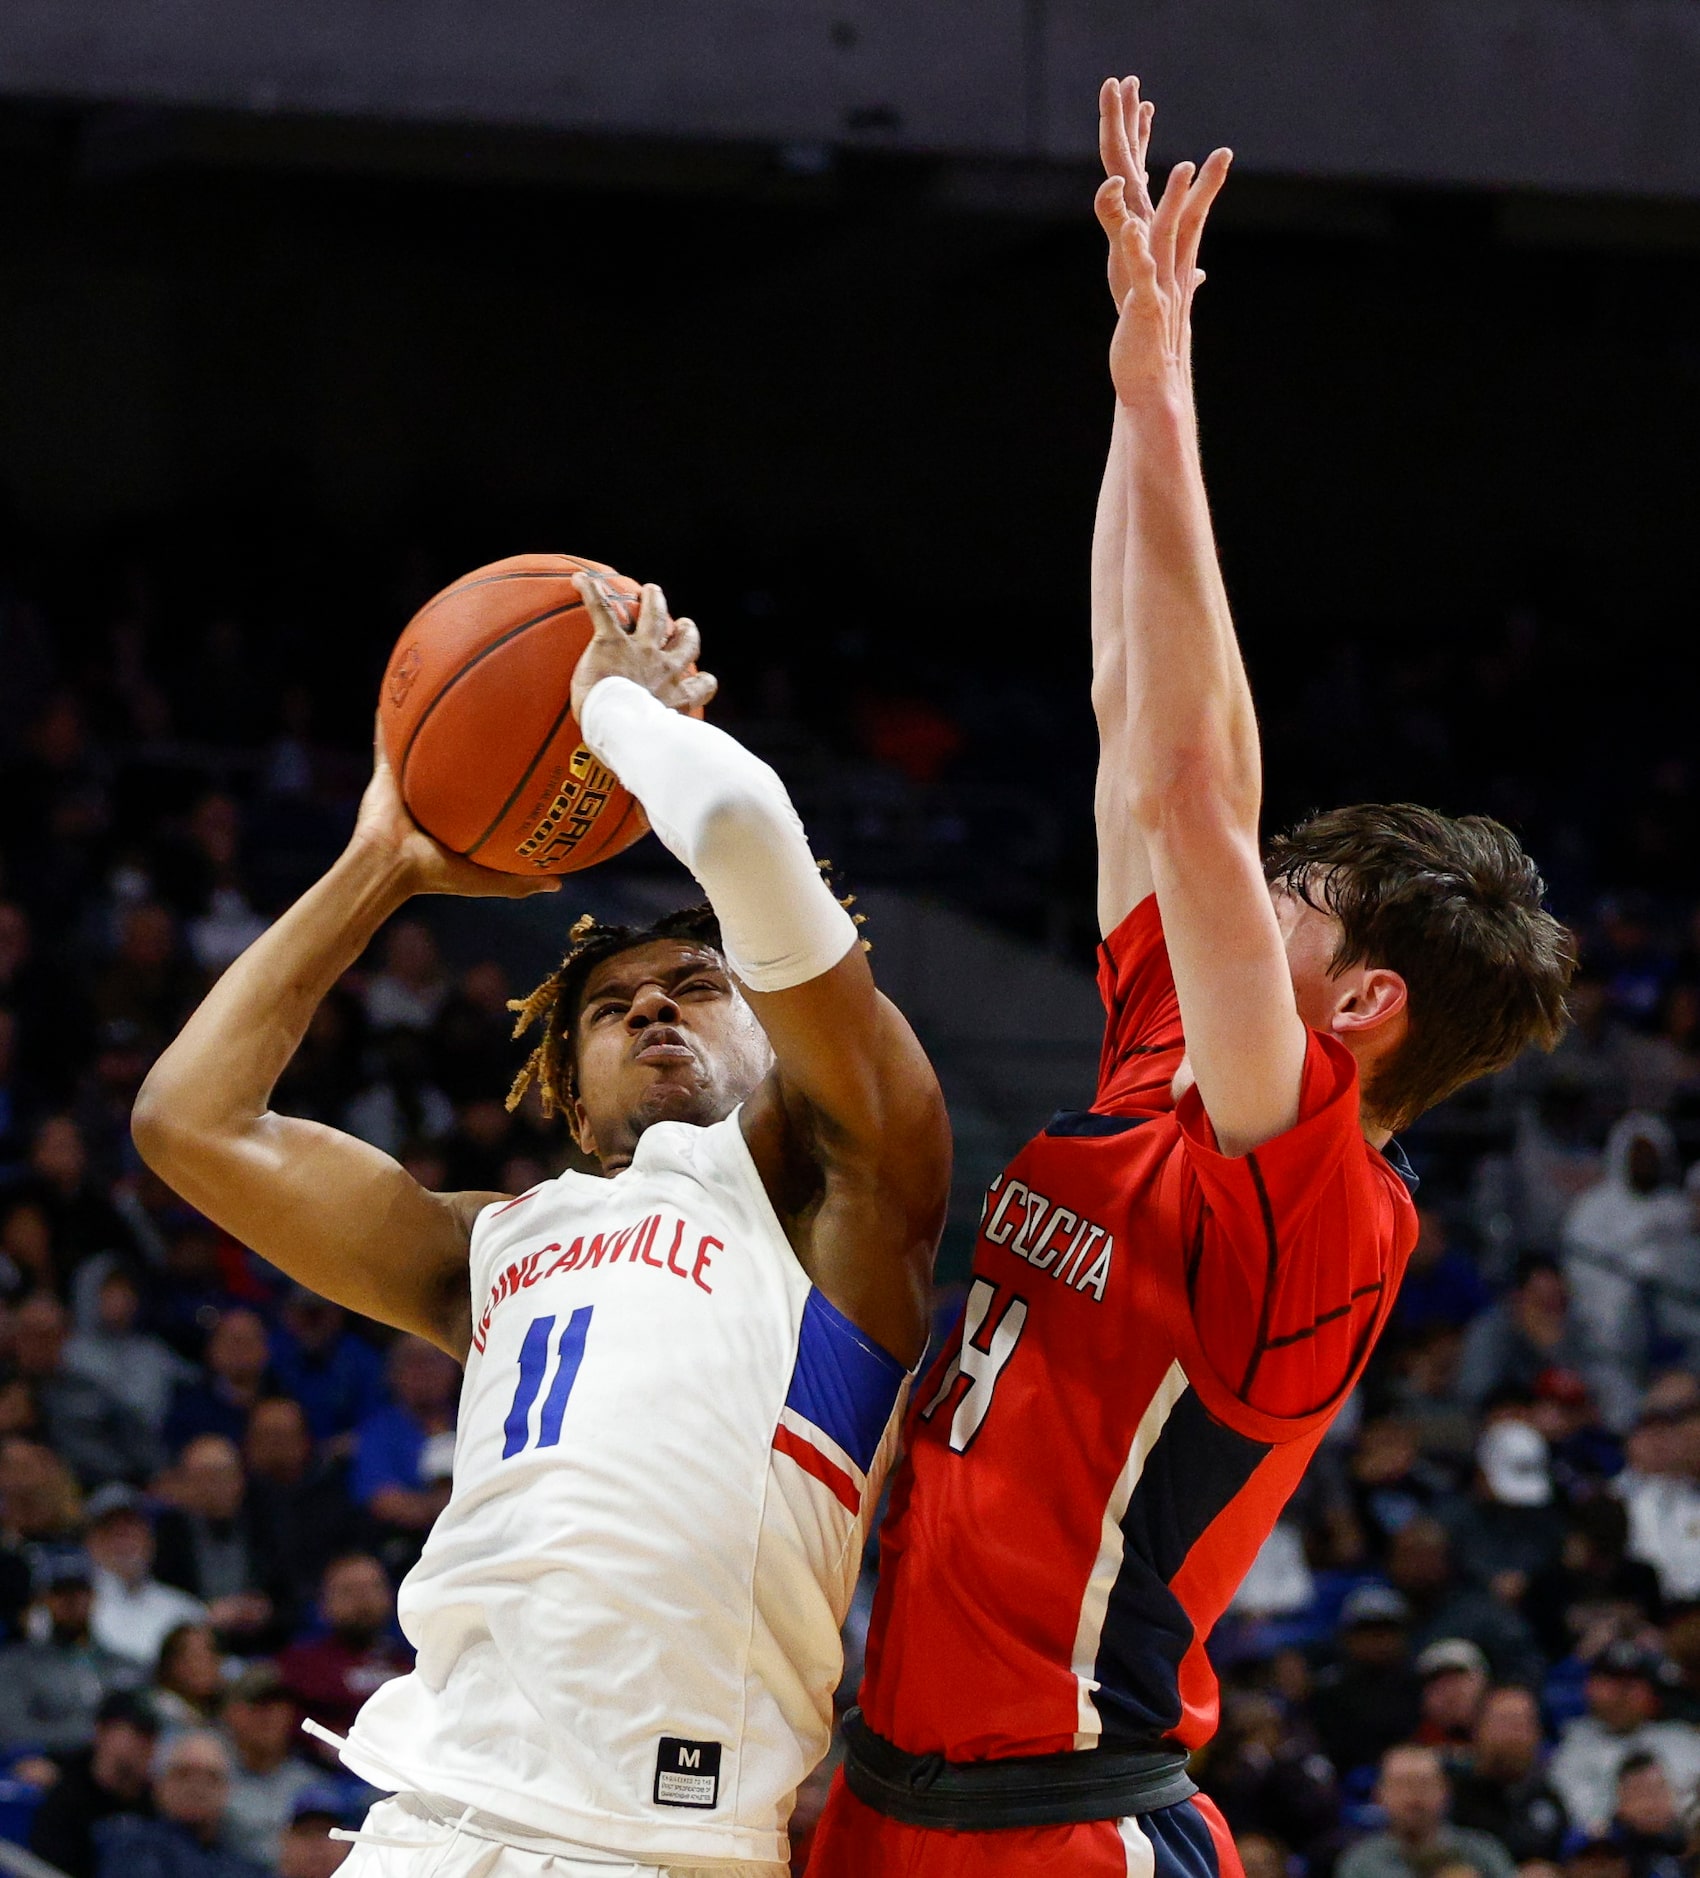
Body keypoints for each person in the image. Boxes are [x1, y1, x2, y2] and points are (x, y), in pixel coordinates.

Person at [810, 74, 1572, 1878]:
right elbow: (1139, 712)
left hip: (1060, 1826)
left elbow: (1187, 790)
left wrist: (1163, 411)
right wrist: (1145, 393)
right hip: (886, 1796)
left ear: (1365, 997)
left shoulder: (1316, 1211)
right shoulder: (1170, 1049)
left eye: (1298, 890)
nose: (1250, 884)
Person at [130, 573, 951, 1877]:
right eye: (612, 1007)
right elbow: (191, 1121)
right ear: (564, 1084)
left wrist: (629, 716)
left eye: (697, 985)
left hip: (658, 1840)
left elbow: (749, 840)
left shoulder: (847, 1195)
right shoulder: (488, 1247)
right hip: (424, 1810)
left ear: (777, 1027)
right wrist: (381, 862)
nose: (655, 1011)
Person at [1547, 1640, 1700, 1835]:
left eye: (1632, 1683)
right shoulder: (1571, 1744)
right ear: (1589, 1688)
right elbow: (1575, 1818)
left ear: (1651, 1692)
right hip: (1607, 1852)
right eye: (1611, 1681)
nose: (1621, 1693)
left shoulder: (1682, 1739)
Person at [0, 1549, 141, 1755]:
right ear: (44, 1598)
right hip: (52, 1767)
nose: (71, 1601)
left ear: (93, 1596)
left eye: (79, 1591)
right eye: (61, 1592)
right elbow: (13, 1731)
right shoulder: (15, 1664)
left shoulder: (125, 1665)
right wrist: (94, 1736)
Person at [276, 1553, 411, 1749]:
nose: (363, 1601)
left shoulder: (411, 1659)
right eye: (349, 1591)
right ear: (324, 1602)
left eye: (372, 1588)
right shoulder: (300, 1665)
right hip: (322, 1772)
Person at [93, 1728, 268, 1878]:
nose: (197, 1787)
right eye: (183, 1774)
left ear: (227, 1790)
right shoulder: (128, 1845)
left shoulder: (247, 1866)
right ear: (159, 1784)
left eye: (211, 1777)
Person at [27, 1688, 161, 1878]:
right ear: (101, 1731)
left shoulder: (156, 1801)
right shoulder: (67, 1797)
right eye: (135, 1733)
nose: (143, 1744)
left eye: (150, 1736)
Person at [1337, 1746, 1517, 1878]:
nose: (1414, 1796)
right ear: (1379, 1795)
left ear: (1445, 1791)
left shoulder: (1484, 1852)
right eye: (1402, 1785)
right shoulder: (1360, 1864)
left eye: (1424, 1784)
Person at [84, 1483, 208, 1667]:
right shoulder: (76, 1610)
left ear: (150, 1539)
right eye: (112, 1532)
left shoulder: (185, 1610)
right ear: (91, 1543)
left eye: (132, 1530)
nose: (124, 1542)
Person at [1449, 1684, 1569, 1865]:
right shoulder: (1453, 1795)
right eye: (1504, 1723)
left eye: (1523, 1724)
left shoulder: (1550, 1799)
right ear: (1477, 1730)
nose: (1513, 1735)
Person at [219, 1662, 322, 1867]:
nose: (271, 1716)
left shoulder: (309, 1782)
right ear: (231, 1712)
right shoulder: (210, 1772)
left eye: (280, 1706)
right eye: (260, 1705)